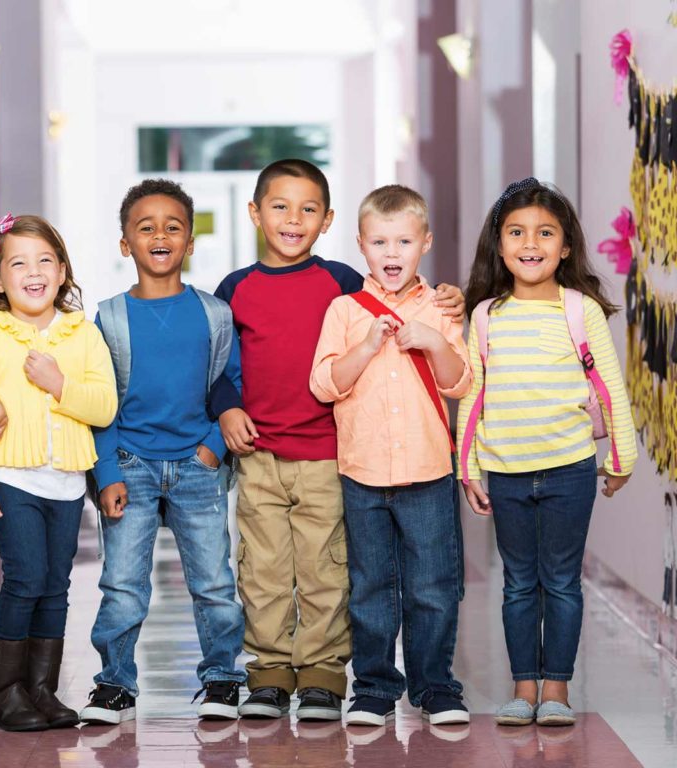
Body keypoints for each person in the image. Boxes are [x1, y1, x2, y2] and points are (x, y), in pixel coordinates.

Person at [212, 160, 465, 720]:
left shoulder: (346, 284)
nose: (293, 219)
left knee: (328, 569)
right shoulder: (235, 289)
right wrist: (226, 410)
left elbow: (399, 295)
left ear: (326, 222)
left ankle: (325, 673)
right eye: (279, 206)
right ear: (255, 213)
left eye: (308, 209)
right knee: (264, 569)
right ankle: (271, 671)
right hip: (260, 455)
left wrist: (450, 299)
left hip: (331, 454)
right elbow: (215, 367)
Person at [457, 178, 636, 727]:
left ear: (564, 247)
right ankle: (523, 687)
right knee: (518, 584)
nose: (529, 243)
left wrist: (621, 459)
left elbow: (612, 385)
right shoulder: (486, 315)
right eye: (516, 232)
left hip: (569, 471)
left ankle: (556, 688)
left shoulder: (579, 310)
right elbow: (474, 394)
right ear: (499, 243)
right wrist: (469, 469)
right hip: (507, 472)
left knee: (559, 581)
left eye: (544, 232)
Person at [80, 179, 246, 724]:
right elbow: (101, 403)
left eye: (172, 227)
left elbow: (232, 384)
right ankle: (115, 684)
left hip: (198, 467)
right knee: (124, 584)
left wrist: (214, 449)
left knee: (215, 583)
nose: (159, 235)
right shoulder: (108, 318)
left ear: (190, 242)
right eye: (145, 227)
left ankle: (223, 677)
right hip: (131, 464)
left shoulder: (214, 314)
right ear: (125, 243)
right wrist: (106, 471)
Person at [310, 184, 472, 727]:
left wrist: (433, 339)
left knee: (433, 587)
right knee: (371, 586)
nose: (392, 253)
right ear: (361, 245)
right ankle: (375, 688)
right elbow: (324, 384)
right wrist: (365, 346)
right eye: (380, 242)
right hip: (363, 473)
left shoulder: (442, 308)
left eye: (404, 240)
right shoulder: (344, 310)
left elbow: (460, 382)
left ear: (425, 242)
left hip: (428, 471)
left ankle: (434, 687)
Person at [0, 214, 116, 731]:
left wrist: (57, 383)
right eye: (18, 262)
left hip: (67, 481)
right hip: (12, 478)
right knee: (25, 579)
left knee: (55, 584)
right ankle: (2, 692)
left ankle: (41, 689)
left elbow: (104, 407)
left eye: (45, 260)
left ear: (63, 270)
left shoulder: (82, 333)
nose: (34, 271)